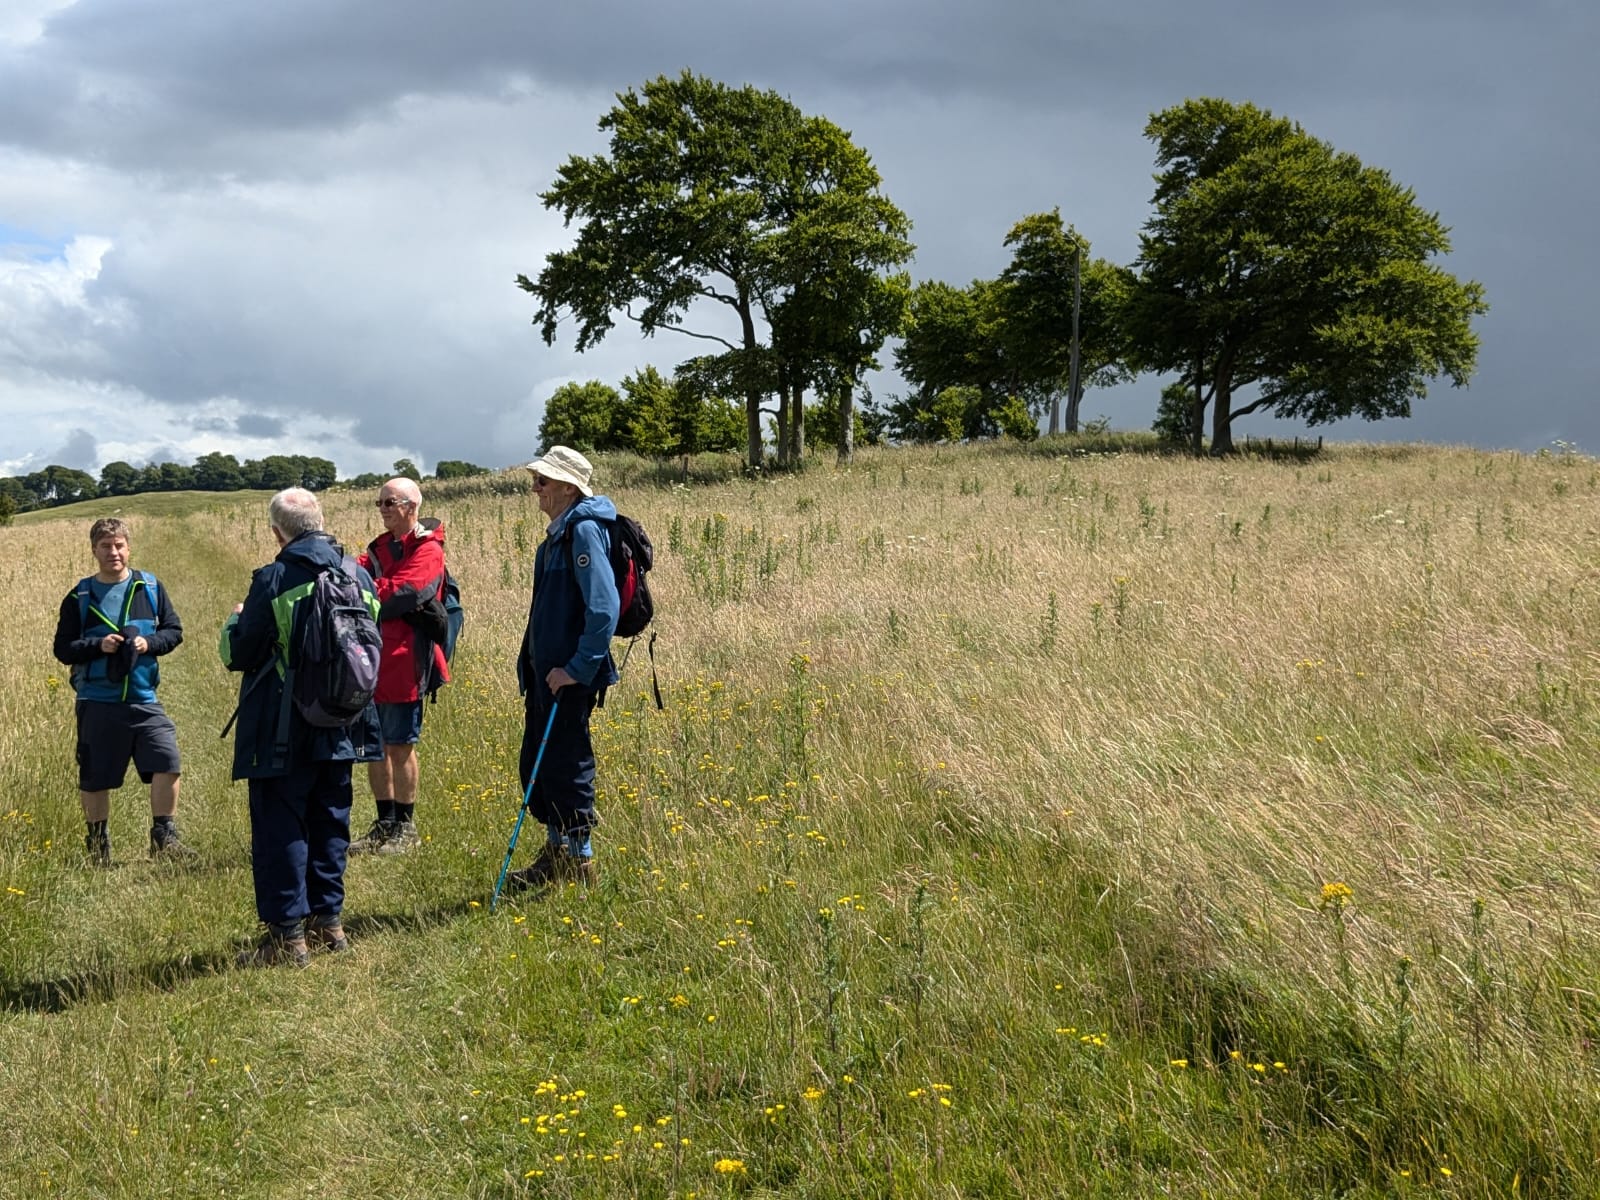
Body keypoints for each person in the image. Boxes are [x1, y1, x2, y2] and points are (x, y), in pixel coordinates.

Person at [220, 488, 382, 967]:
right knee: (331, 820)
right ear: (321, 521)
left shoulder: (273, 578)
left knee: (281, 826)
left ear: (278, 532)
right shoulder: (359, 575)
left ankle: (287, 938)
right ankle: (329, 923)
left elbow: (240, 653)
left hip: (283, 725)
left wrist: (232, 625)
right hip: (344, 720)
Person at [505, 446, 620, 892]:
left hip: (567, 677)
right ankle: (556, 855)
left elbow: (604, 608)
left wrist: (576, 668)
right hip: (547, 676)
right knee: (542, 763)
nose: (535, 489)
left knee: (569, 765)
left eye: (543, 481)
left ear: (569, 488)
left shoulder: (584, 531)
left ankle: (581, 864)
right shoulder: (556, 538)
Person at [52, 517, 191, 863]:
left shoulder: (150, 587)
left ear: (129, 548)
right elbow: (63, 649)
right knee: (95, 775)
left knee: (168, 760)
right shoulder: (80, 595)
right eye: (105, 546)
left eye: (119, 545)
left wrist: (148, 643)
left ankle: (164, 837)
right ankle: (98, 846)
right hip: (97, 700)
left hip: (144, 698)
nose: (113, 552)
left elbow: (174, 631)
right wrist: (98, 646)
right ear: (94, 550)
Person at [347, 476, 450, 855]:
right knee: (374, 746)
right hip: (372, 660)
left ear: (411, 507)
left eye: (389, 502)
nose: (382, 509)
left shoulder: (428, 550)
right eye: (380, 503)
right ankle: (384, 823)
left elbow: (407, 592)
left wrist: (365, 591)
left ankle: (406, 828)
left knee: (400, 745)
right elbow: (352, 574)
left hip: (407, 660)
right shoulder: (380, 548)